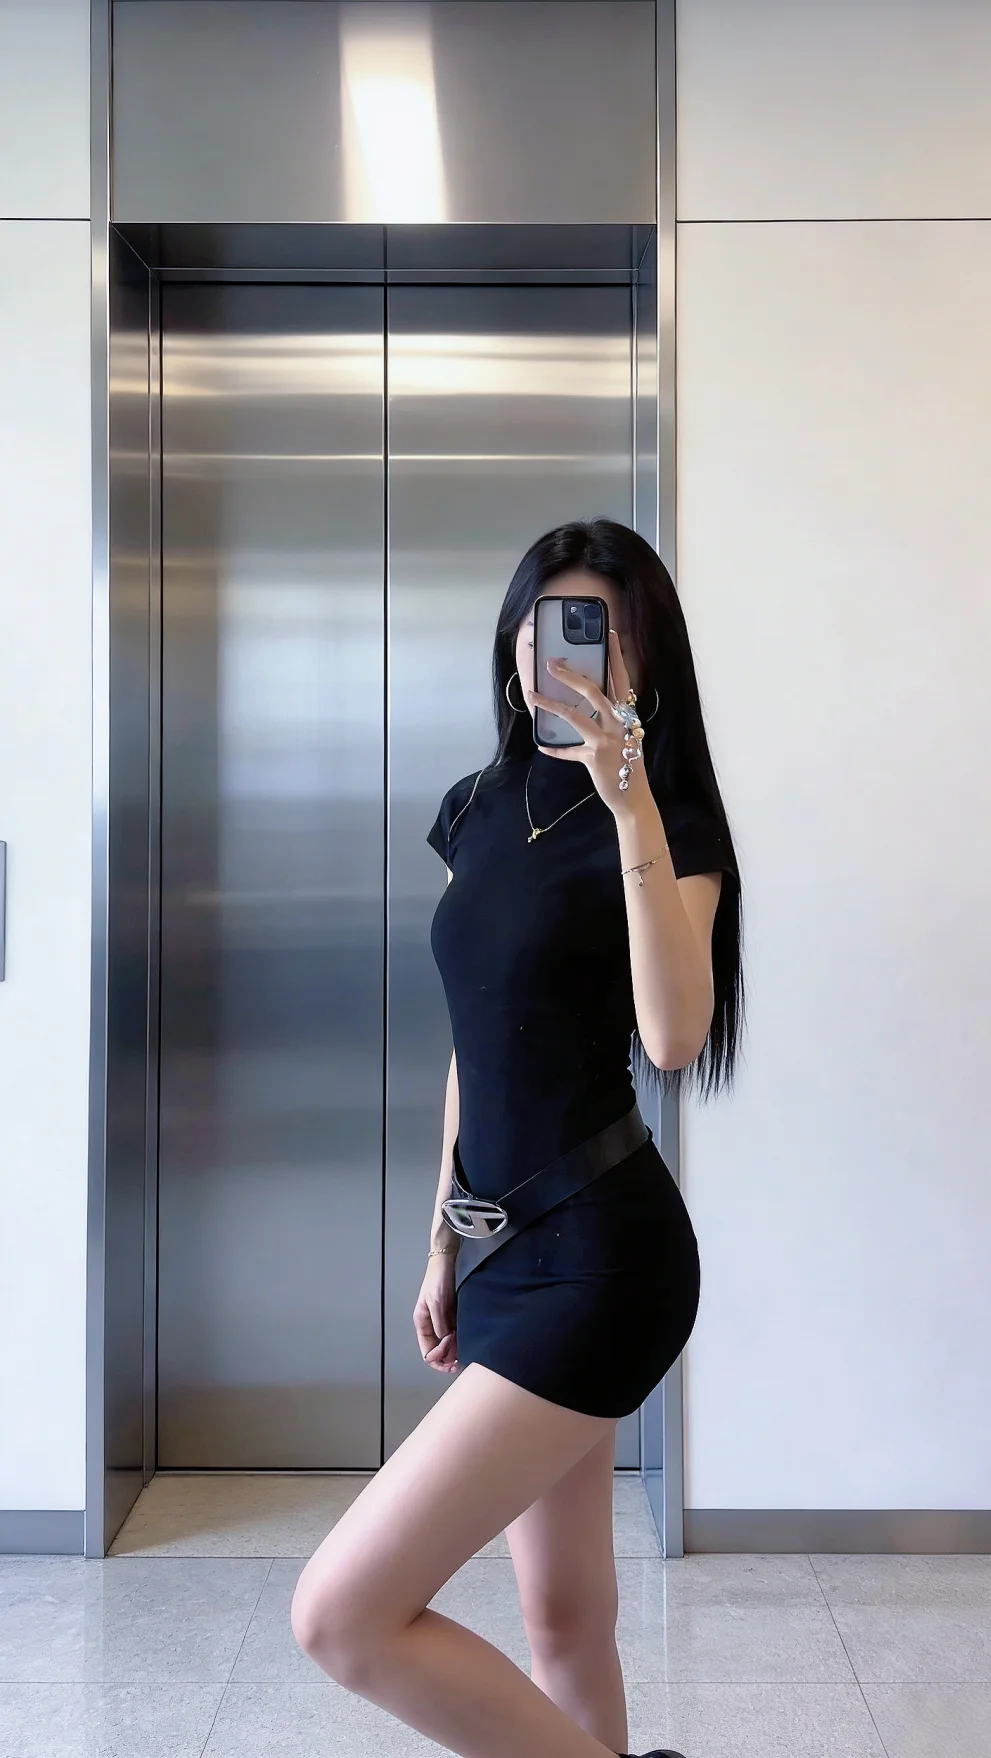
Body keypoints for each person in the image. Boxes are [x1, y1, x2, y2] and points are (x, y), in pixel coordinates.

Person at [291, 519, 742, 1758]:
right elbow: (475, 1041)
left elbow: (674, 1036)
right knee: (565, 1621)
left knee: (341, 1614)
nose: (572, 654)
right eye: (552, 626)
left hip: (603, 1259)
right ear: (515, 642)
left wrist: (628, 797)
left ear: (645, 657)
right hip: (498, 1250)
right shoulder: (478, 809)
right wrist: (443, 1240)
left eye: (604, 630)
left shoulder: (670, 821)